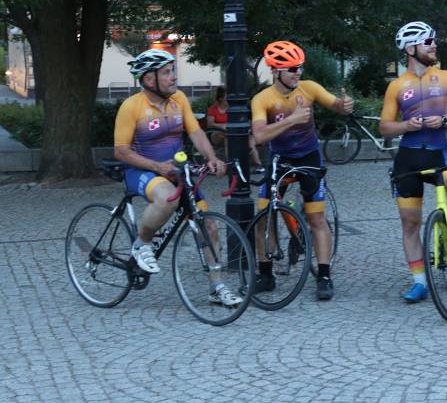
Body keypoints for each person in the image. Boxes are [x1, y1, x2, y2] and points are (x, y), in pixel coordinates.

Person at [113, 49, 241, 307]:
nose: (173, 77)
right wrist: (156, 166)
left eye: (172, 71)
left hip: (175, 171)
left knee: (209, 226)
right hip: (143, 170)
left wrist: (211, 157)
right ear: (149, 79)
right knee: (167, 198)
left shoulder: (179, 99)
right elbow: (121, 151)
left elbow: (196, 133)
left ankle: (216, 287)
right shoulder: (132, 106)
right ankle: (141, 244)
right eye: (166, 72)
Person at [379, 21, 447, 303]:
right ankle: (420, 282)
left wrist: (444, 120)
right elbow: (385, 127)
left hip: (438, 154)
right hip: (408, 159)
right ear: (410, 49)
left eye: (433, 40)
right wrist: (405, 125)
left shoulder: (446, 77)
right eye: (427, 41)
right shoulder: (397, 86)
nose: (434, 45)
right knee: (410, 224)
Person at [250, 40, 353, 301]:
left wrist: (344, 105)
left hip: (309, 157)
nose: (298, 73)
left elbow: (335, 105)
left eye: (300, 67)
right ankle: (265, 274)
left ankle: (324, 275)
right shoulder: (262, 99)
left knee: (316, 218)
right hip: (280, 159)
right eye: (293, 68)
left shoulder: (309, 88)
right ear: (276, 71)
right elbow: (260, 136)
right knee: (262, 214)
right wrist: (293, 119)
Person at [206, 85, 263, 167]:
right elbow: (210, 124)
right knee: (228, 138)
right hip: (217, 134)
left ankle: (258, 164)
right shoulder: (213, 109)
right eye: (227, 97)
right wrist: (221, 126)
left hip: (235, 133)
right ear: (220, 98)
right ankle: (230, 164)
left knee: (250, 140)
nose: (229, 99)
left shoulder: (234, 108)